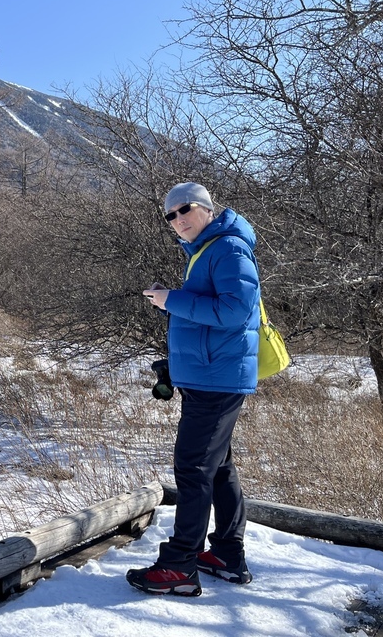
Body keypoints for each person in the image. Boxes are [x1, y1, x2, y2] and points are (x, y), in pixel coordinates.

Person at [126, 182, 260, 597]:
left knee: (192, 468)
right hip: (209, 374)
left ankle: (180, 565)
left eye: (184, 210)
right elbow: (213, 319)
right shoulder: (209, 249)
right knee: (217, 467)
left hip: (217, 380)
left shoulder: (228, 248)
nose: (177, 220)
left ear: (205, 208)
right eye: (170, 216)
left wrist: (172, 300)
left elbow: (236, 311)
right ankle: (226, 556)